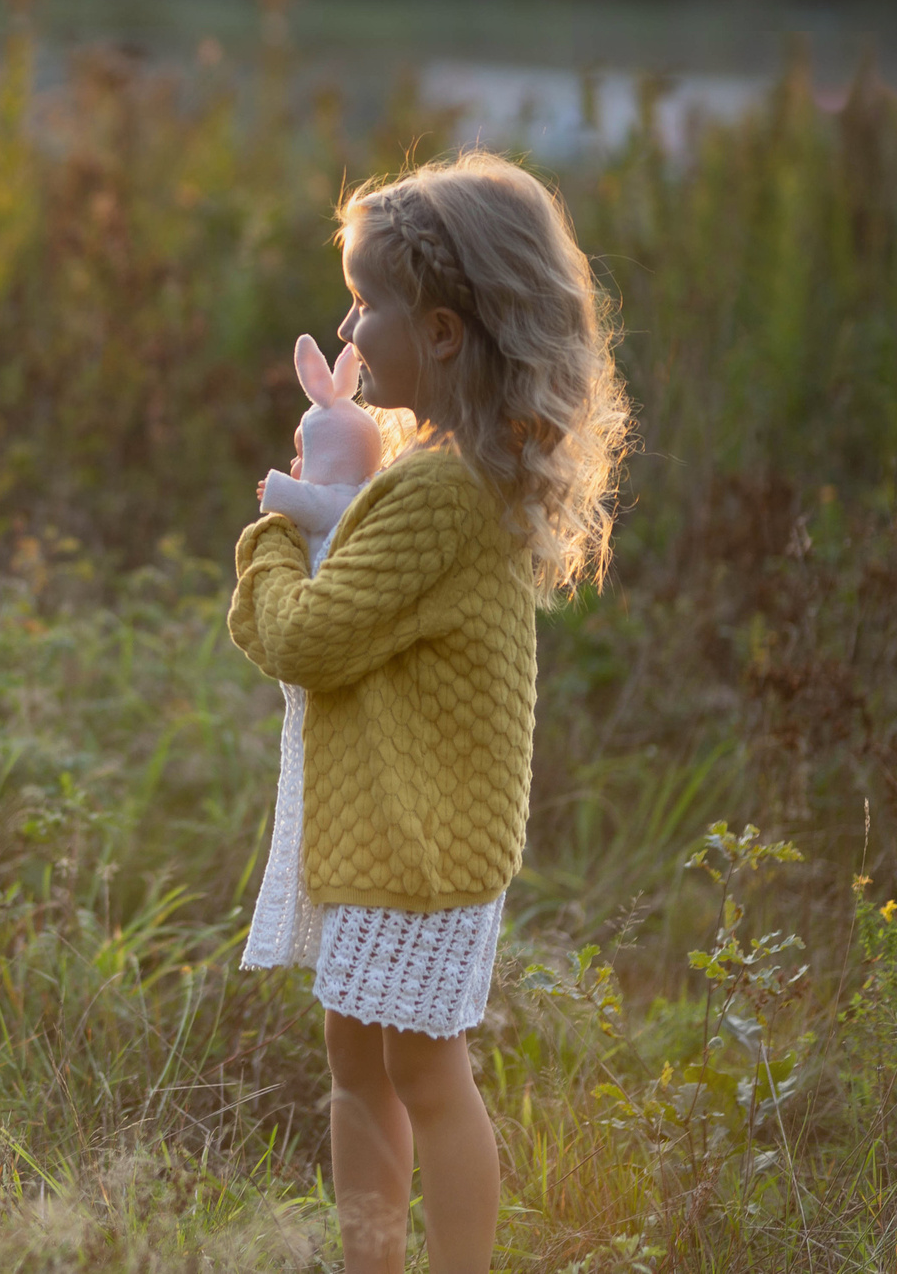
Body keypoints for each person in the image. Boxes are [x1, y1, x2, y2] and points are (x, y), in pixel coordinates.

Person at [229, 152, 630, 1273]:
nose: (347, 330)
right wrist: (336, 501)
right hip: (395, 834)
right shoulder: (441, 465)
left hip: (421, 846)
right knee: (358, 1070)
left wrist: (274, 531)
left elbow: (305, 639)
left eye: (367, 305)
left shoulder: (440, 491)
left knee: (423, 1077)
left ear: (445, 332)